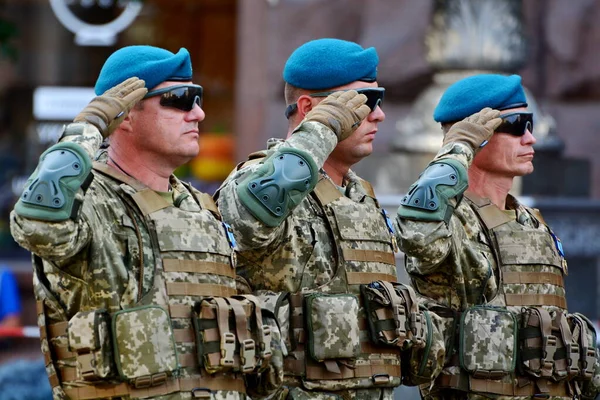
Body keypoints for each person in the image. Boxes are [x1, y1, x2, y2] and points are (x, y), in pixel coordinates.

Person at [10, 45, 275, 400]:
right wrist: (87, 128)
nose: (198, 113)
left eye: (197, 98)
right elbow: (36, 222)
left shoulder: (203, 207)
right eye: (180, 99)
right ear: (125, 116)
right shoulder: (91, 202)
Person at [216, 38, 445, 400]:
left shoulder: (361, 196)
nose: (379, 114)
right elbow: (243, 221)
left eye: (380, 101)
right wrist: (321, 128)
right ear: (309, 107)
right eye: (364, 103)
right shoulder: (259, 182)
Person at [396, 73, 600, 400]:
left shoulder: (531, 223)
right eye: (518, 124)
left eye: (531, 125)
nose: (530, 138)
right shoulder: (453, 222)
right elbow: (416, 230)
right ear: (480, 135)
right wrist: (457, 148)